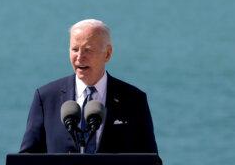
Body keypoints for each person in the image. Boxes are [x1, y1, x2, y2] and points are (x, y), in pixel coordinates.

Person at [19, 19, 159, 155]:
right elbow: (26, 159)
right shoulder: (46, 98)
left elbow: (151, 163)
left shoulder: (134, 100)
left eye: (88, 50)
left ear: (108, 54)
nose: (79, 57)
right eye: (75, 49)